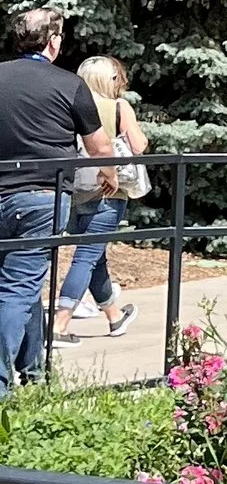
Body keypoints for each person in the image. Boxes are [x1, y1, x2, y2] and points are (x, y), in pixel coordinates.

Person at [0, 8, 113, 390]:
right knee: (17, 289)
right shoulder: (69, 84)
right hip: (42, 199)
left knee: (23, 284)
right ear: (53, 41)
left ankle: (34, 375)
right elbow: (99, 147)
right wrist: (109, 176)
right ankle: (0, 384)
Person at [60, 53, 146, 333]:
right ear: (110, 80)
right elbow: (139, 144)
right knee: (87, 256)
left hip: (74, 188)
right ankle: (59, 324)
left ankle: (114, 316)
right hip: (109, 189)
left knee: (95, 254)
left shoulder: (69, 106)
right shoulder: (118, 107)